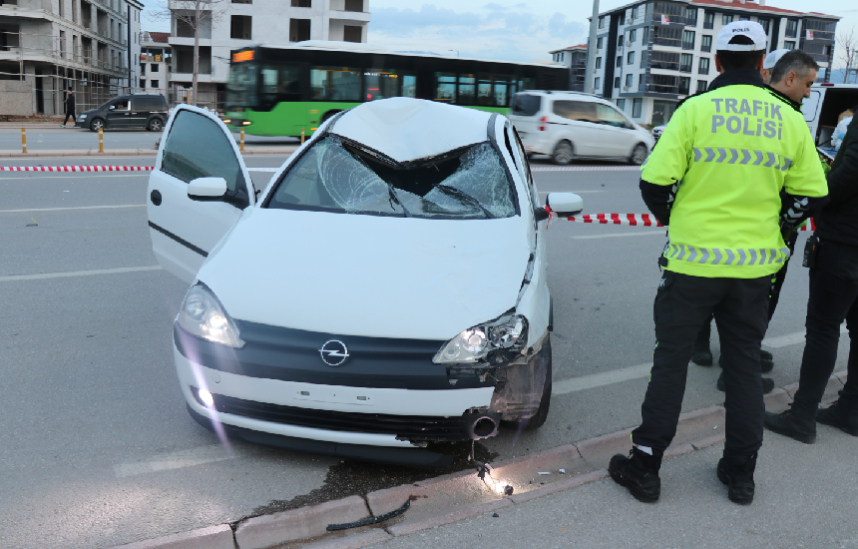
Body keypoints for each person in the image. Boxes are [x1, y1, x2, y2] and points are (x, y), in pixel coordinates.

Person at [608, 21, 828, 506]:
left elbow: (654, 183)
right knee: (745, 368)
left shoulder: (694, 111)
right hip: (754, 272)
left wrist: (678, 221)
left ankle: (645, 467)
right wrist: (778, 227)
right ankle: (740, 472)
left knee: (670, 364)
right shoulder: (789, 118)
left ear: (716, 61)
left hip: (690, 266)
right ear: (764, 64)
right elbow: (811, 193)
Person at [694, 50, 823, 395]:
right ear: (791, 78)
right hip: (763, 227)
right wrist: (785, 223)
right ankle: (735, 364)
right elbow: (811, 189)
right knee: (752, 298)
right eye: (809, 84)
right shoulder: (780, 114)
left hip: (736, 222)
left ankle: (727, 351)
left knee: (726, 287)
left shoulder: (763, 106)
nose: (810, 93)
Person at [764, 114, 858, 443]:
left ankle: (802, 416)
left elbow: (851, 172)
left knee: (823, 327)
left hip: (846, 240)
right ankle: (850, 411)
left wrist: (816, 198)